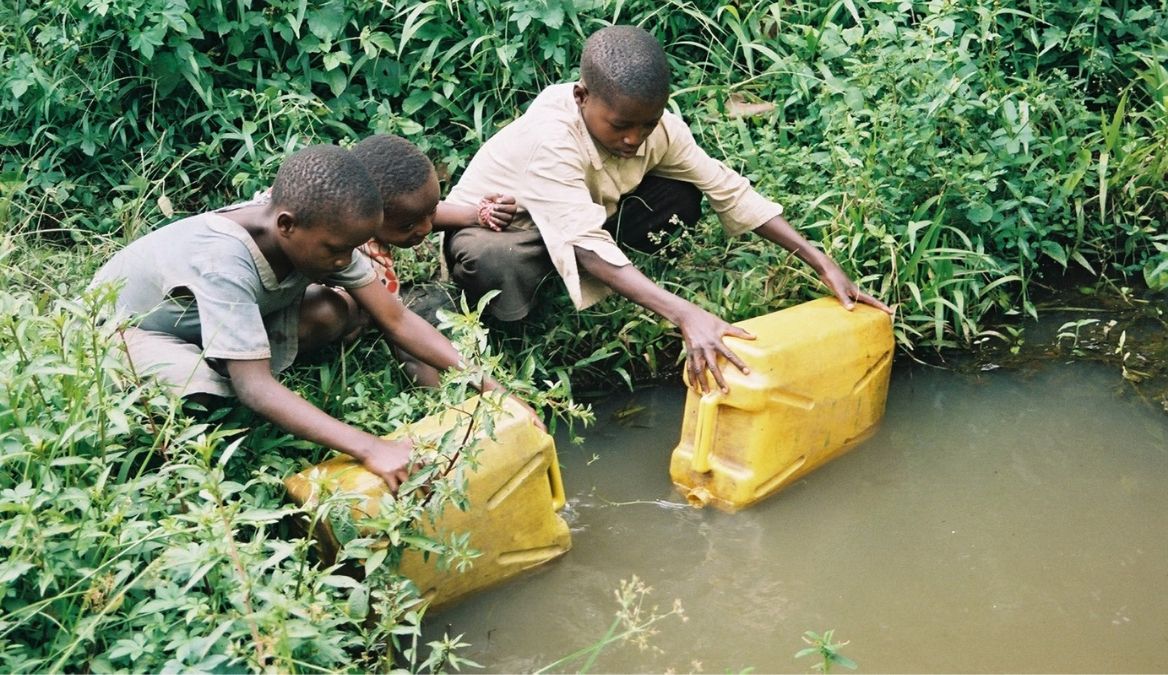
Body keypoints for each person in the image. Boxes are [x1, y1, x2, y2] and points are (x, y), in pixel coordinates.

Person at [443, 25, 893, 394]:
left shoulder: (656, 128)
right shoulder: (550, 140)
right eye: (621, 126)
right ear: (582, 97)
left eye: (648, 124)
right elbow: (583, 244)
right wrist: (686, 314)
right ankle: (514, 330)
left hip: (586, 219)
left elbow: (728, 188)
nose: (634, 139)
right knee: (493, 260)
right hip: (503, 230)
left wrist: (821, 261)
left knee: (680, 196)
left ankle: (616, 278)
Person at [92, 143, 534, 491]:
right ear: (286, 225)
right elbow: (255, 385)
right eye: (337, 250)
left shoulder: (321, 231)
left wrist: (492, 390)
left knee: (336, 310)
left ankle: (233, 353)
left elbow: (395, 320)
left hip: (208, 319)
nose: (346, 260)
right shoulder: (224, 260)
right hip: (126, 329)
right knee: (202, 390)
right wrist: (370, 446)